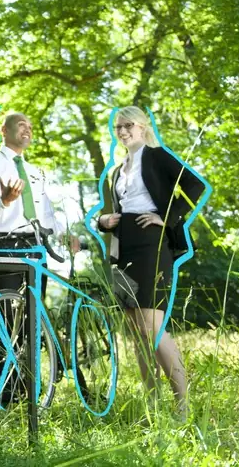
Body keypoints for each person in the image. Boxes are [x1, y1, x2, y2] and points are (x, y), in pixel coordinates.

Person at [97, 106, 204, 417]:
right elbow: (111, 210)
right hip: (123, 246)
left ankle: (183, 405)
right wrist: (103, 222)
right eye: (118, 126)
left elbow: (195, 186)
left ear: (142, 127)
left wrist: (166, 218)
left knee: (152, 326)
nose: (122, 131)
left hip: (150, 243)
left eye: (128, 124)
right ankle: (152, 405)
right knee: (135, 328)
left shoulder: (157, 156)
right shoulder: (116, 171)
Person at [0, 111, 65, 405]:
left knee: (31, 320)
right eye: (22, 124)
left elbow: (46, 212)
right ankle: (3, 395)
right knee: (4, 317)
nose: (28, 129)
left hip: (37, 246)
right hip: (5, 243)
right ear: (4, 130)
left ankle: (29, 389)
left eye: (31, 126)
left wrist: (61, 234)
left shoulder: (35, 171)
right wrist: (2, 201)